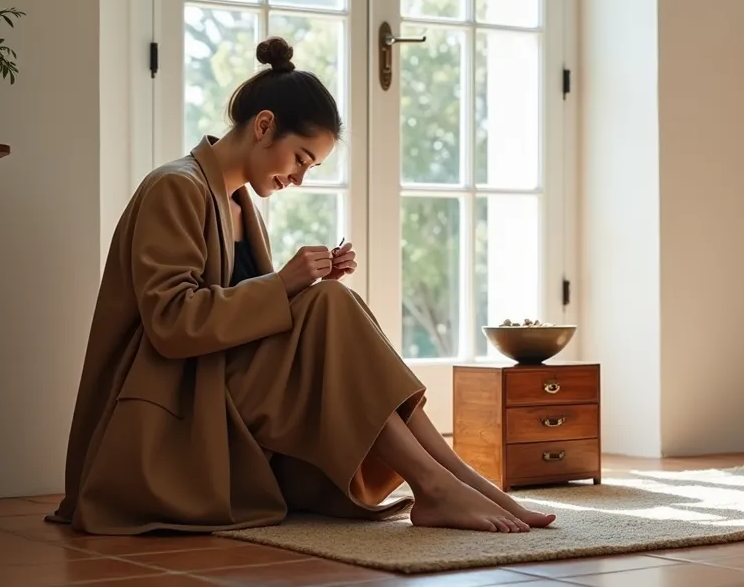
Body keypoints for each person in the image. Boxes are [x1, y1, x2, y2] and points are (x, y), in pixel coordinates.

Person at [48, 37, 554, 535]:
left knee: (332, 302)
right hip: (170, 402)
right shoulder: (175, 187)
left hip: (217, 384)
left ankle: (455, 479)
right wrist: (286, 283)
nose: (300, 179)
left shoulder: (241, 205)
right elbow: (171, 324)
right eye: (301, 160)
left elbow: (243, 312)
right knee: (330, 306)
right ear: (264, 125)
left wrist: (299, 286)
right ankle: (441, 484)